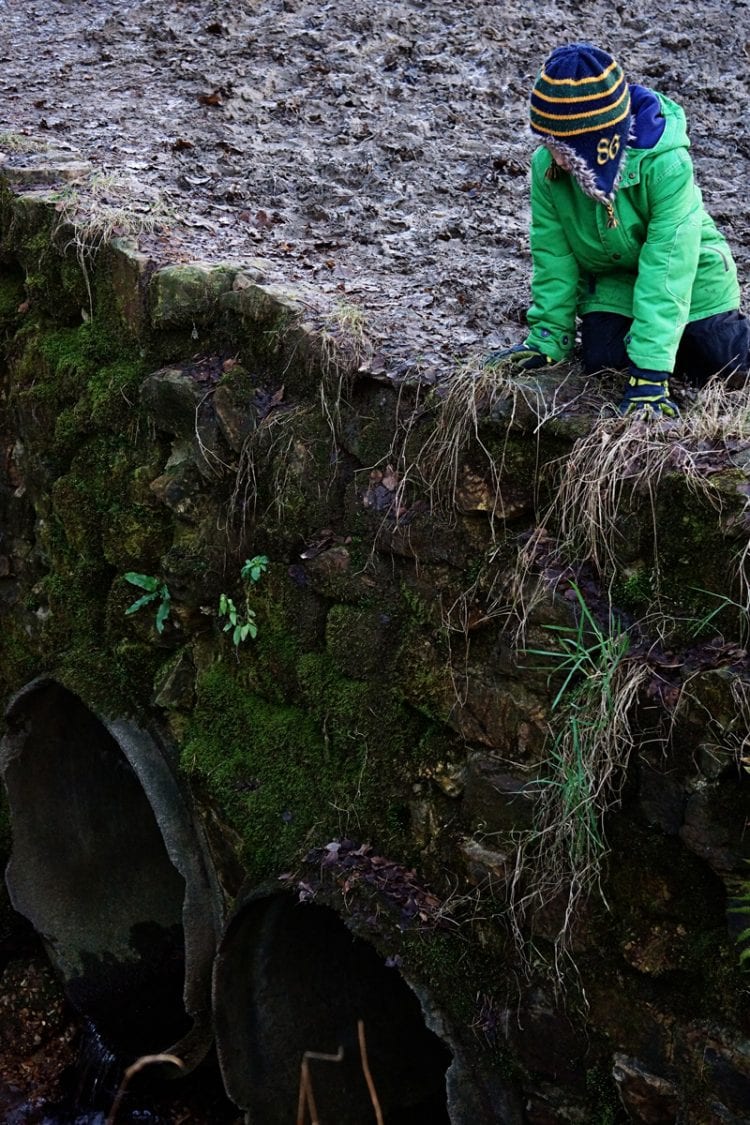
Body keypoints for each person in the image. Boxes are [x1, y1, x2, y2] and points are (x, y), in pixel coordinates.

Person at [488, 42, 749, 416]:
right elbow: (553, 256)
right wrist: (548, 337)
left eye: (564, 147)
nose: (556, 159)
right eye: (546, 142)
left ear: (597, 142)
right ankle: (667, 347)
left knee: (724, 359)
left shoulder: (667, 165)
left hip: (694, 281)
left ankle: (684, 346)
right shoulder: (547, 168)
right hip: (615, 284)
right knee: (603, 361)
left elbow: (668, 268)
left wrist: (651, 374)